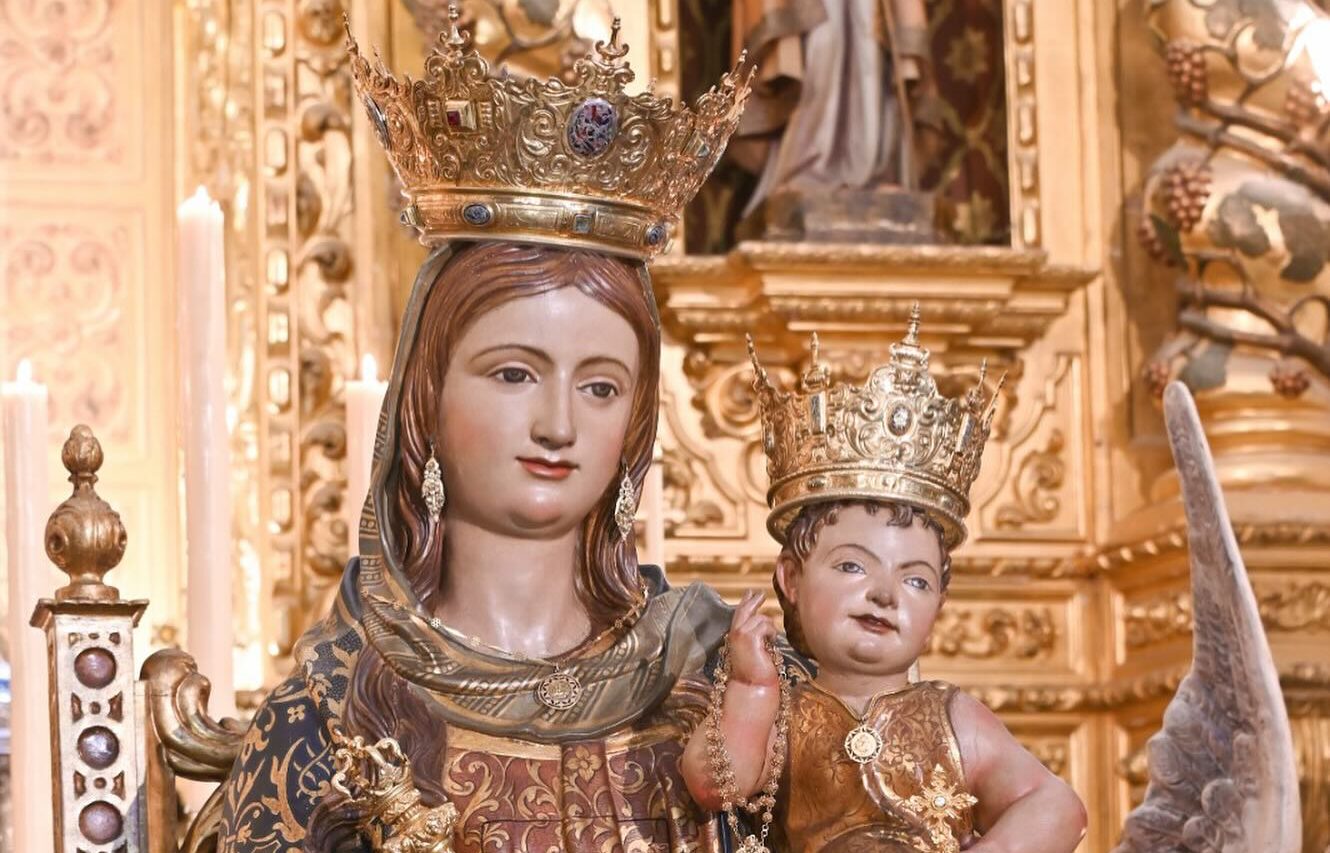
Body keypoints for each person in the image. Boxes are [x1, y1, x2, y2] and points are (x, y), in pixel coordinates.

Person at [217, 12, 752, 852]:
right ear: (424, 398)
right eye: (513, 373)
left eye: (603, 386)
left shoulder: (714, 679)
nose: (560, 423)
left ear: (639, 420)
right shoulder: (327, 714)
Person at [681, 315, 1088, 852]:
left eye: (916, 582)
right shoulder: (785, 714)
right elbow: (715, 784)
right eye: (853, 566)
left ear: (940, 606)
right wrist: (751, 689)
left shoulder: (952, 717)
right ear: (792, 579)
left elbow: (1056, 805)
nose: (885, 594)